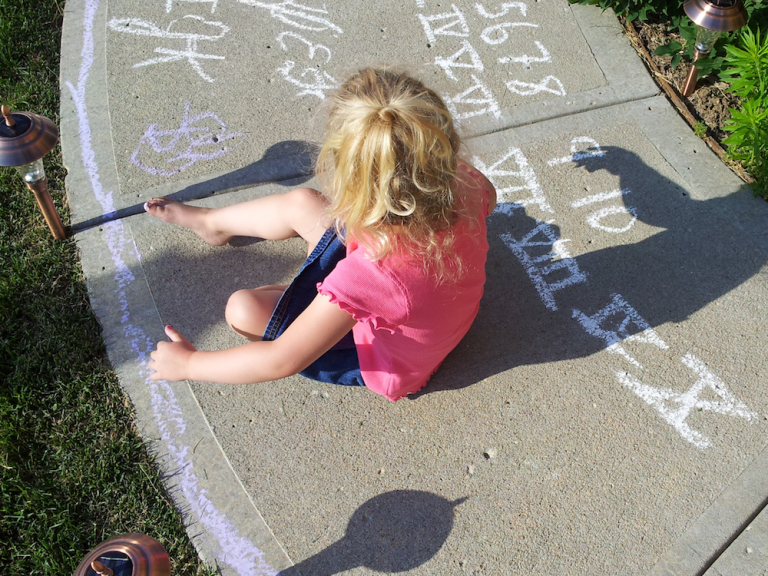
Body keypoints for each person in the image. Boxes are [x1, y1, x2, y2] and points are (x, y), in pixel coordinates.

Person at [146, 68, 496, 401]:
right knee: (302, 203)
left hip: (385, 361)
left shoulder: (373, 275)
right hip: (413, 295)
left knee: (244, 310)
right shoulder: (463, 181)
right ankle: (212, 223)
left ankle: (309, 295)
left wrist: (189, 365)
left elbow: (280, 360)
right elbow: (490, 200)